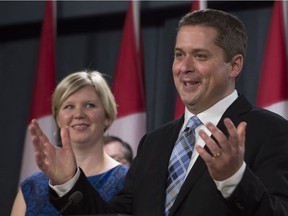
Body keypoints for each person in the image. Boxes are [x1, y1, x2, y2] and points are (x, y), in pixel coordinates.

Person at [29, 9, 288, 216]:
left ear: (234, 65)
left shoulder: (270, 131)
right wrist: (69, 182)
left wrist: (234, 179)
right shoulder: (154, 143)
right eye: (179, 55)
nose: (184, 67)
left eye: (200, 55)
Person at [11, 71, 129, 215]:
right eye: (69, 106)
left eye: (90, 105)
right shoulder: (31, 187)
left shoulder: (129, 182)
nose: (79, 114)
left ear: (107, 116)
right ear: (58, 118)